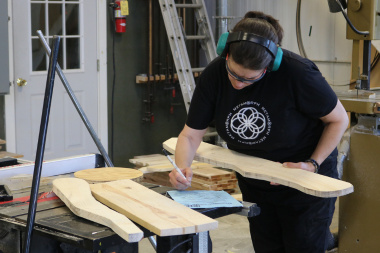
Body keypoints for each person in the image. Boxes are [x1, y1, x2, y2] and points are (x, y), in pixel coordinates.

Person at [168, 11, 349, 253]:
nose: (238, 84)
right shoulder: (214, 75)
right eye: (234, 74)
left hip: (305, 184)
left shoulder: (298, 74)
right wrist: (182, 169)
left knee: (302, 246)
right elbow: (190, 135)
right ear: (226, 53)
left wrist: (312, 164)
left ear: (269, 66)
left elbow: (339, 120)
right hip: (256, 184)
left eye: (250, 79)